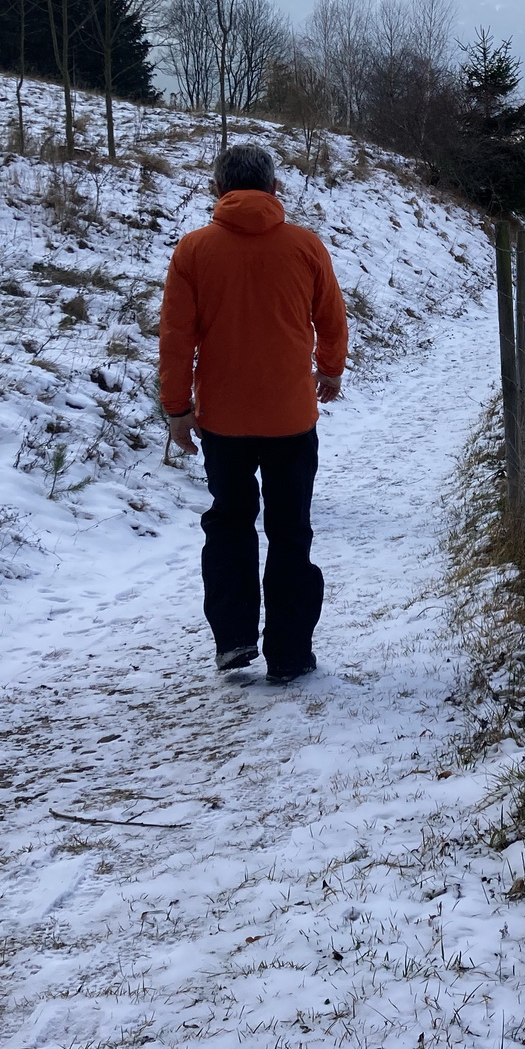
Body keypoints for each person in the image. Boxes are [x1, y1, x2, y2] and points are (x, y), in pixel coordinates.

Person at [159, 144, 348, 684]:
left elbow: (176, 338)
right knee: (291, 532)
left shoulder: (193, 250)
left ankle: (235, 639)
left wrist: (177, 409)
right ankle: (289, 654)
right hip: (291, 416)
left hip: (223, 420)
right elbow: (331, 319)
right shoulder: (306, 246)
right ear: (273, 188)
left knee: (229, 523)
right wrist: (330, 370)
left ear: (218, 189)